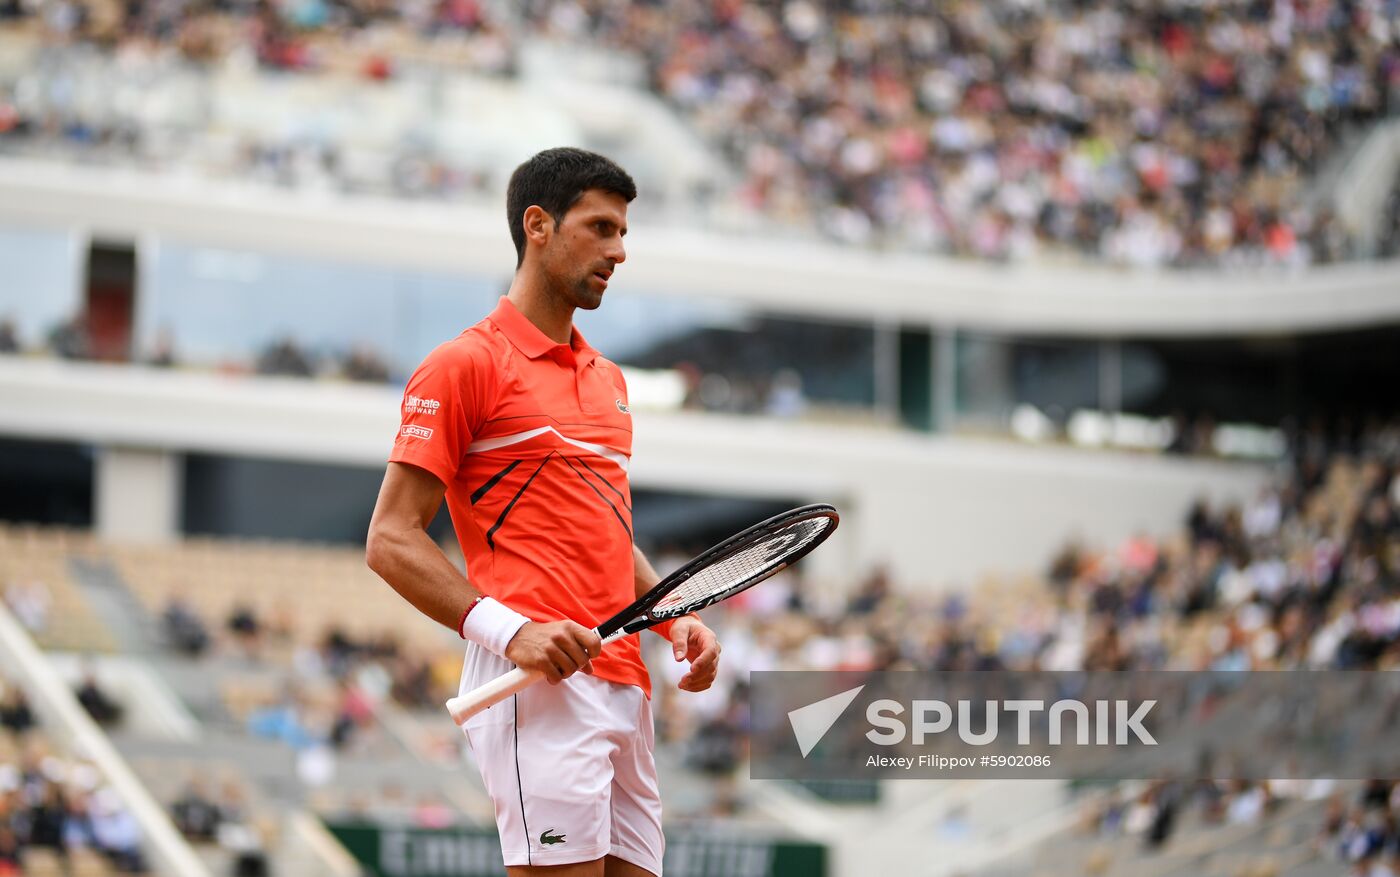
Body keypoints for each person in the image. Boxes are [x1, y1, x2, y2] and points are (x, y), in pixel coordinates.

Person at [367, 147, 720, 877]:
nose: (619, 251)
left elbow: (607, 534)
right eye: (600, 228)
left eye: (624, 233)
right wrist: (514, 631)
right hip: (541, 688)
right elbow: (390, 539)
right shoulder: (464, 364)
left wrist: (671, 612)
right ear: (538, 225)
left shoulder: (610, 379)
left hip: (626, 685)